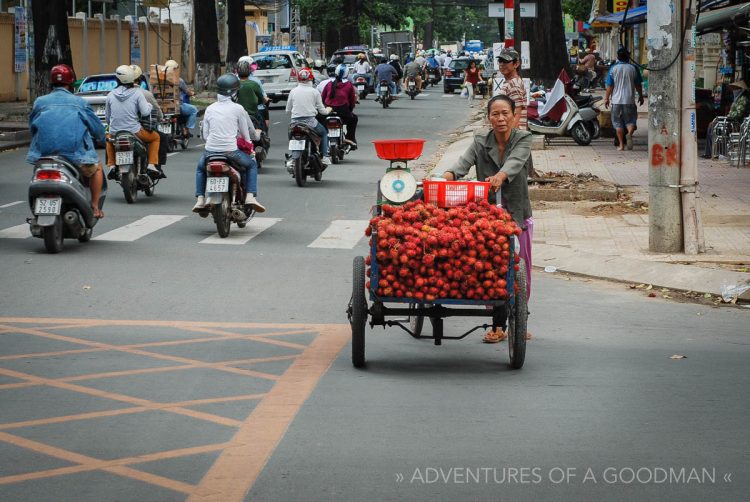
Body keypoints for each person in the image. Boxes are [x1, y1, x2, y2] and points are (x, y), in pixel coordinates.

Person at [440, 95, 533, 343]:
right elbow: (463, 163)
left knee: (518, 270)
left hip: (516, 213)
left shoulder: (523, 138)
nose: (501, 119)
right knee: (490, 269)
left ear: (514, 116)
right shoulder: (481, 140)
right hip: (487, 217)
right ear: (489, 117)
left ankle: (519, 319)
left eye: (505, 113)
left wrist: (500, 176)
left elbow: (515, 162)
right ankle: (498, 325)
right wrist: (447, 176)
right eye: (495, 114)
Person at [27, 64, 106, 218]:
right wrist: (102, 138)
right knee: (97, 169)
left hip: (44, 156)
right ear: (70, 83)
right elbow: (97, 130)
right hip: (75, 157)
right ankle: (95, 207)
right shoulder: (80, 103)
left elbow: (32, 128)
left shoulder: (39, 102)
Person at [192, 73, 265, 213]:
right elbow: (246, 135)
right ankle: (250, 196)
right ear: (234, 93)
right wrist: (250, 148)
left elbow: (206, 136)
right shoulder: (238, 109)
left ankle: (200, 199)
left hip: (210, 152)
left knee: (201, 169)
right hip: (231, 152)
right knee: (251, 166)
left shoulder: (210, 108)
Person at [105, 64, 160, 178]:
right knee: (156, 138)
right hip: (135, 132)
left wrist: (114, 127)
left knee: (109, 140)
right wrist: (149, 106)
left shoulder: (110, 95)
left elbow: (107, 117)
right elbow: (145, 112)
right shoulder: (137, 93)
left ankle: (111, 166)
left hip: (116, 132)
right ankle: (151, 164)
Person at [286, 67, 332, 165]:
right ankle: (324, 156)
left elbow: (288, 109)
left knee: (291, 136)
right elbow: (323, 111)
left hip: (294, 122)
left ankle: (292, 157)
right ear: (311, 79)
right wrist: (328, 109)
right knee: (323, 133)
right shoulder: (314, 92)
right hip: (310, 122)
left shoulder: (293, 91)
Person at [131, 64, 167, 178]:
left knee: (108, 139)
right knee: (161, 137)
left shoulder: (115, 94)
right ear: (140, 79)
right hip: (139, 129)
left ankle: (112, 166)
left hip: (118, 129)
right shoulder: (144, 93)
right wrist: (160, 117)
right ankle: (156, 166)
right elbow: (154, 111)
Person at [604, 47, 644, 151]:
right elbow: (638, 84)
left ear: (618, 57)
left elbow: (610, 86)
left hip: (616, 101)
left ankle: (621, 145)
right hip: (629, 101)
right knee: (630, 121)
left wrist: (606, 98)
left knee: (617, 123)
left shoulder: (613, 68)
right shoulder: (633, 68)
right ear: (628, 56)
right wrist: (640, 95)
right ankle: (629, 134)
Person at [703, 80, 750, 158]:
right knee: (711, 126)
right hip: (730, 121)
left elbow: (737, 115)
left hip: (736, 123)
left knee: (713, 126)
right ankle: (709, 152)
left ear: (740, 89)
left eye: (735, 89)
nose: (733, 90)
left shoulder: (743, 100)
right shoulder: (736, 99)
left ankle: (712, 152)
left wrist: (725, 118)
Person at [321, 64, 358, 149]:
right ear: (347, 74)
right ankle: (350, 138)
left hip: (328, 111)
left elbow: (323, 98)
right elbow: (352, 101)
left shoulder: (330, 83)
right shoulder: (348, 85)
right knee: (354, 119)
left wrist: (324, 107)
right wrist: (350, 110)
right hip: (343, 111)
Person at [164, 60, 198, 138]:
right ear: (175, 69)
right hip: (177, 106)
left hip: (162, 106)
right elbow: (187, 91)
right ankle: (186, 128)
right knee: (194, 110)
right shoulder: (179, 80)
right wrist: (192, 93)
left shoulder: (160, 80)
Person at [496, 48, 526, 129]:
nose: (502, 64)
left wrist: (509, 138)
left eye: (506, 61)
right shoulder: (511, 82)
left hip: (514, 135)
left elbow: (517, 114)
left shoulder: (513, 85)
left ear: (516, 64)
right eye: (500, 61)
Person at [238, 55, 271, 131]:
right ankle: (264, 134)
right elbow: (262, 97)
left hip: (237, 111)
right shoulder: (255, 82)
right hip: (255, 110)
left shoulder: (234, 81)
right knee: (264, 110)